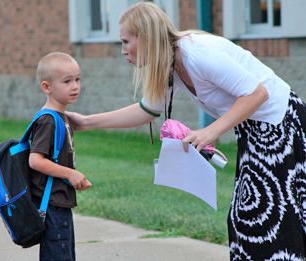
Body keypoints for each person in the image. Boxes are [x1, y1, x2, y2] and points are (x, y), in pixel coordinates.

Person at [65, 2, 306, 260]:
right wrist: (85, 122)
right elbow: (147, 110)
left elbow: (258, 93)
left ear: (146, 38)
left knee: (263, 218)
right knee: (254, 217)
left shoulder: (198, 54)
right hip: (256, 130)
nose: (123, 50)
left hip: (282, 126)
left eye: (126, 41)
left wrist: (209, 132)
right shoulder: (170, 62)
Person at [29, 52, 92, 261]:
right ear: (47, 87)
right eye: (67, 81)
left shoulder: (59, 117)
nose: (75, 86)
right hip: (52, 206)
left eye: (77, 79)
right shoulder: (48, 120)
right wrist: (70, 174)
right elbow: (35, 160)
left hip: (59, 204)